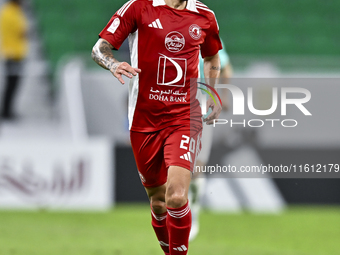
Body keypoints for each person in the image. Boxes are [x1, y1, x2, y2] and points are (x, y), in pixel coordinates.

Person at [91, 0, 222, 254]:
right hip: (144, 120)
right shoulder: (138, 8)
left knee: (176, 196)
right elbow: (100, 48)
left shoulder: (205, 16)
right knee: (159, 202)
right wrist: (114, 64)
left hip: (185, 116)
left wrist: (213, 92)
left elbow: (212, 55)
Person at [189, 39, 232, 241]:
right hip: (177, 105)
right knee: (181, 165)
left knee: (197, 167)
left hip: (201, 106)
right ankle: (178, 212)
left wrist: (221, 96)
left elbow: (225, 66)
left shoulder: (206, 36)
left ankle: (193, 213)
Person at [0, 0, 28, 120]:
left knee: (12, 85)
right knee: (11, 85)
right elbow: (21, 32)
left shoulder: (8, 12)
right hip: (13, 54)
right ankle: (6, 111)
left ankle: (7, 110)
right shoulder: (12, 13)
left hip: (13, 53)